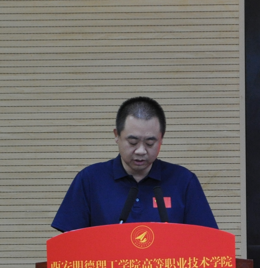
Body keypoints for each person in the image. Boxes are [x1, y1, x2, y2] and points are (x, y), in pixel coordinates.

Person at [51, 97, 218, 232]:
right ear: (116, 135)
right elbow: (70, 245)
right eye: (132, 142)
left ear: (161, 138)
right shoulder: (89, 180)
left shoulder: (184, 181)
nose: (141, 151)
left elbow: (207, 241)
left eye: (150, 143)